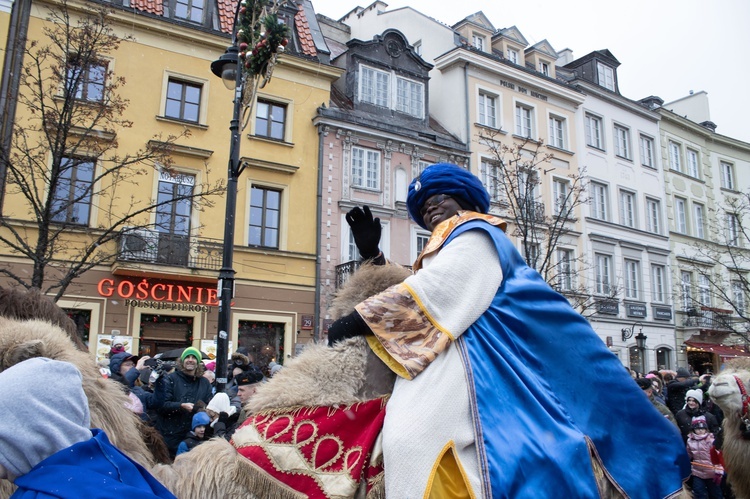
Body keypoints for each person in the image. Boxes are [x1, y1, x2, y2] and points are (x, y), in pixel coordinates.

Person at [327, 163, 689, 498]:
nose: (431, 209)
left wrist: (357, 319)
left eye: (439, 199)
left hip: (479, 362)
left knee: (411, 438)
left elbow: (437, 292)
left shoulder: (475, 235)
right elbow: (423, 284)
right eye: (424, 209)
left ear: (463, 200)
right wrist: (373, 256)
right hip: (457, 351)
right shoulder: (448, 245)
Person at [0, 357, 176, 498]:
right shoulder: (116, 464)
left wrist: (161, 380)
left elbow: (156, 402)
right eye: (127, 364)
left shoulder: (45, 493)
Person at [155, 346, 212, 457]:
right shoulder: (170, 379)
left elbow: (209, 404)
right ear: (182, 361)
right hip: (170, 436)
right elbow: (161, 405)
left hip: (194, 438)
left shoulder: (204, 383)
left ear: (198, 362)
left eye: (194, 357)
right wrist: (180, 405)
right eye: (187, 357)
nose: (190, 360)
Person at [686, 416, 723, 499]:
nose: (700, 430)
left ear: (706, 429)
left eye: (702, 428)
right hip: (697, 472)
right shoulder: (690, 440)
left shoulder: (711, 440)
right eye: (698, 428)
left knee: (715, 494)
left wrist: (719, 470)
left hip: (712, 472)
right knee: (699, 492)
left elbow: (718, 455)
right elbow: (688, 454)